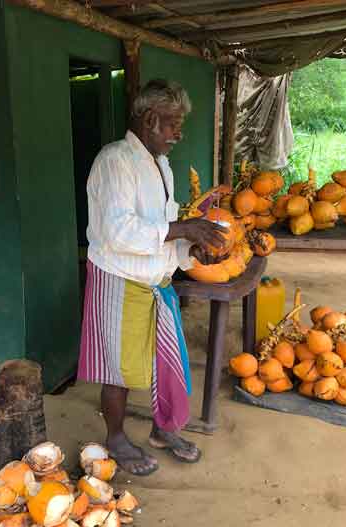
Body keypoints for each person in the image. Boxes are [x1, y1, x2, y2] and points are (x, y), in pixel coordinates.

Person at [78, 79, 228, 476]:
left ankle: (164, 429)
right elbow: (119, 232)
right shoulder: (115, 161)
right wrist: (183, 229)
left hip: (156, 281)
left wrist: (189, 248)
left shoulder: (160, 165)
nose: (179, 134)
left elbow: (162, 229)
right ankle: (115, 438)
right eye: (173, 124)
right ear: (149, 119)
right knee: (121, 368)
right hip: (120, 278)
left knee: (167, 359)